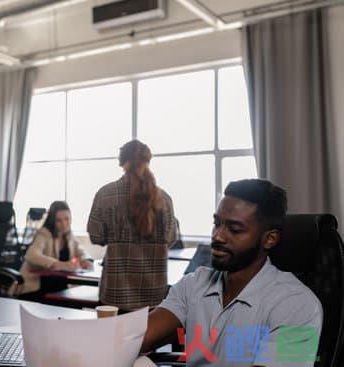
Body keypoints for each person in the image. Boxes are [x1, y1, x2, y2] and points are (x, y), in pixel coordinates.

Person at [140, 179, 323, 367]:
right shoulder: (194, 283)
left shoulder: (298, 305)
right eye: (217, 223)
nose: (217, 236)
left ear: (269, 239)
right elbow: (137, 338)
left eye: (234, 229)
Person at [87, 140, 177, 311]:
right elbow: (171, 239)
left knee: (114, 338)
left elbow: (95, 236)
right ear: (148, 160)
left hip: (115, 294)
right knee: (151, 338)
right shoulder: (164, 199)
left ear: (122, 162)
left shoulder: (105, 194)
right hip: (154, 296)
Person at [18, 201, 93, 299]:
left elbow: (81, 250)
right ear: (52, 220)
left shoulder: (68, 235)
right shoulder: (44, 234)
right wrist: (60, 264)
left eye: (67, 219)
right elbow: (31, 255)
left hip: (57, 284)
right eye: (59, 220)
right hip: (37, 286)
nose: (64, 224)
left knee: (75, 303)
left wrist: (85, 260)